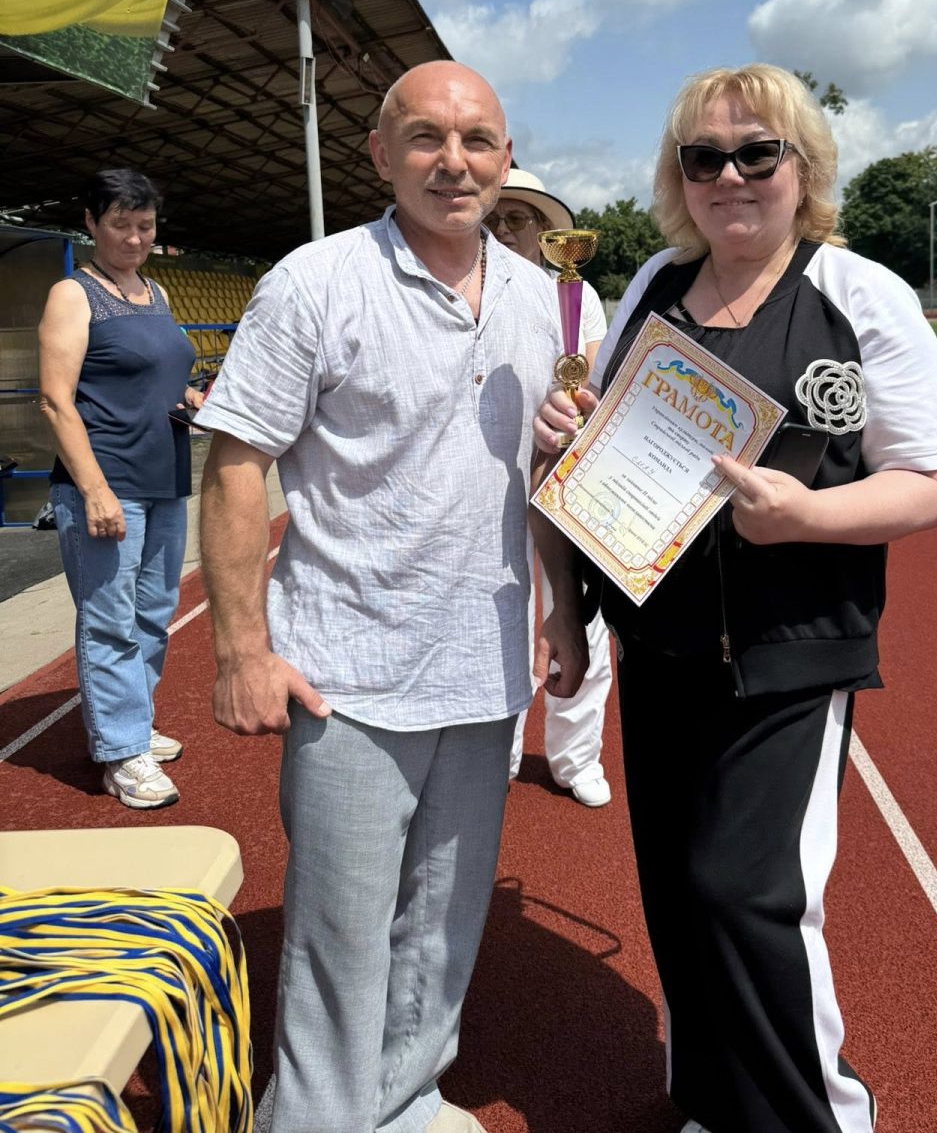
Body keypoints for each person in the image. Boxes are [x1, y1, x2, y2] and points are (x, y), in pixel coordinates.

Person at [536, 65, 937, 1133]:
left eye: (757, 152)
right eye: (704, 157)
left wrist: (806, 516)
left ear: (802, 167)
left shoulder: (861, 296)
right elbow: (606, 449)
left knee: (749, 894)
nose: (730, 176)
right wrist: (566, 447)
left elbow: (926, 483)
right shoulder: (652, 286)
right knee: (679, 891)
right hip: (659, 645)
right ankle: (714, 1102)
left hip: (789, 652)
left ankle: (821, 1118)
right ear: (678, 175)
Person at [196, 62, 588, 1133]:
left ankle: (406, 1102)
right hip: (348, 672)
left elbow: (546, 475)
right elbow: (235, 467)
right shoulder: (314, 283)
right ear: (380, 154)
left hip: (484, 665)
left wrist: (562, 608)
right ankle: (316, 1121)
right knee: (341, 937)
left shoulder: (549, 299)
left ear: (507, 159)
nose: (454, 162)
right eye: (426, 137)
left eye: (477, 140)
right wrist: (240, 652)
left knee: (442, 926)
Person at [38, 168, 204, 810]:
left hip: (164, 478)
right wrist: (95, 490)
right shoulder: (73, 295)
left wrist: (187, 397)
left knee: (154, 613)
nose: (134, 238)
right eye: (120, 224)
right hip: (106, 482)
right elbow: (55, 401)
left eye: (145, 225)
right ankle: (120, 750)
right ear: (90, 223)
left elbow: (150, 377)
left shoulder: (154, 293)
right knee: (110, 621)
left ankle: (131, 722)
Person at [487, 168, 613, 808]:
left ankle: (575, 757)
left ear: (544, 231)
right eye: (495, 218)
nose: (504, 230)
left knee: (581, 618)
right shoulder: (465, 289)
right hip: (494, 481)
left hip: (568, 475)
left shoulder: (575, 293)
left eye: (518, 219)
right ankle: (500, 748)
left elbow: (591, 372)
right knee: (500, 616)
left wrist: (573, 406)